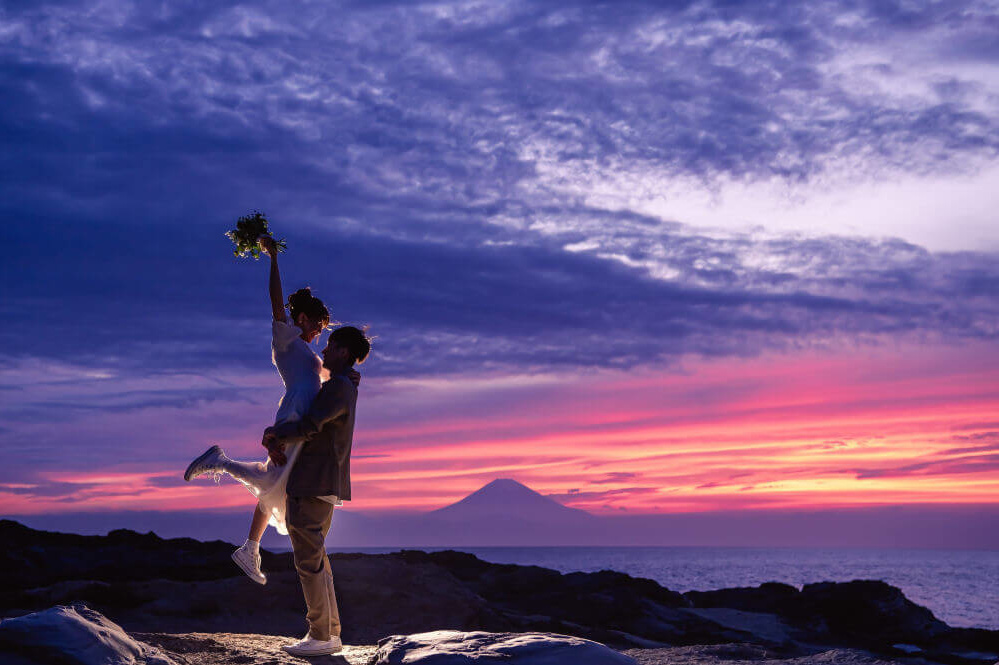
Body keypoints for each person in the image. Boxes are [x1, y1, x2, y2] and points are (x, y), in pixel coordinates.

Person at [183, 235, 357, 584]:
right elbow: (276, 301)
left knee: (277, 485)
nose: (318, 335)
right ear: (303, 319)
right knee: (273, 481)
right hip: (294, 414)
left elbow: (334, 376)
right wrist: (273, 258)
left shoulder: (309, 354)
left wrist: (352, 369)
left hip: (302, 415)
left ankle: (250, 547)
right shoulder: (286, 340)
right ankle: (220, 463)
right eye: (317, 327)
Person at [263, 325, 370, 657]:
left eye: (330, 346)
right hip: (323, 484)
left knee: (309, 562)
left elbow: (310, 427)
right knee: (318, 560)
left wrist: (274, 433)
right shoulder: (342, 386)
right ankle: (330, 633)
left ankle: (320, 634)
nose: (323, 351)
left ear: (342, 351)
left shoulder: (337, 388)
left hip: (312, 483)